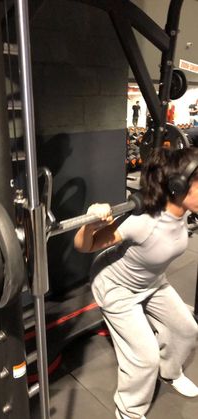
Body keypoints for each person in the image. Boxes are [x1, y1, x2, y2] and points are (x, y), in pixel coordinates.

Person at [74, 147, 198, 419]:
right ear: (179, 186)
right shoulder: (142, 221)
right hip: (116, 286)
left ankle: (170, 373)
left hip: (152, 282)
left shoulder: (186, 211)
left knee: (188, 330)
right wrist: (91, 223)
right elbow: (85, 245)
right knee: (144, 357)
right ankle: (128, 411)